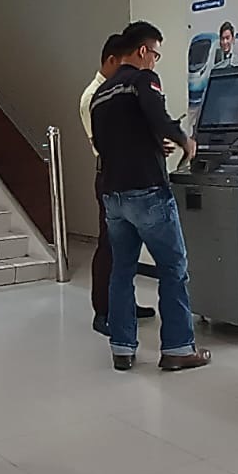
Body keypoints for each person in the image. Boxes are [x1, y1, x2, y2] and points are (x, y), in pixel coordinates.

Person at [90, 21, 212, 372]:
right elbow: (157, 116)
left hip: (113, 194)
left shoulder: (101, 93)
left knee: (121, 270)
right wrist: (185, 141)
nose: (155, 61)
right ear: (143, 51)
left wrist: (152, 143)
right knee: (173, 268)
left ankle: (122, 348)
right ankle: (178, 348)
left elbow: (109, 142)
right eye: (155, 54)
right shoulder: (144, 80)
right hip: (147, 191)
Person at [79, 33, 156, 337]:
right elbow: (103, 143)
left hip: (129, 173)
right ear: (112, 60)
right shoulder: (93, 96)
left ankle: (124, 303)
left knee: (128, 244)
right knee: (109, 244)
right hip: (110, 174)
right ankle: (103, 310)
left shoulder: (119, 90)